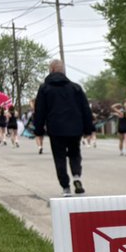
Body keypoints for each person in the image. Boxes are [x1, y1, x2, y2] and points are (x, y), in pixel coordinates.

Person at [32, 59, 94, 196]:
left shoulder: (45, 88)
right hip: (75, 127)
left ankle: (65, 187)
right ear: (63, 71)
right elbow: (85, 109)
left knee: (59, 157)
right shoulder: (75, 88)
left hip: (56, 128)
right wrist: (88, 129)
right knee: (74, 153)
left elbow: (40, 110)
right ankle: (76, 176)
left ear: (51, 70)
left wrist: (38, 130)